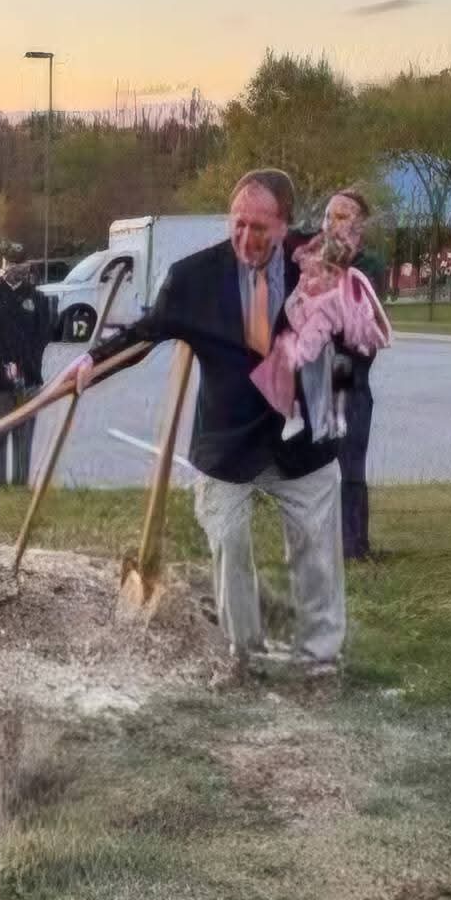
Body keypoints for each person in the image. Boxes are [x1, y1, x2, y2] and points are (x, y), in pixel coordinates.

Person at [58, 169, 346, 678]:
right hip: (228, 443)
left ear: (285, 227)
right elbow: (148, 332)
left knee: (317, 548)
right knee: (229, 544)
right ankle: (243, 653)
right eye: (238, 224)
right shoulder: (194, 278)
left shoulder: (316, 267)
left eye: (261, 227)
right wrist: (90, 362)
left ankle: (321, 656)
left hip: (301, 441)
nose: (246, 238)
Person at [250, 211, 390, 442]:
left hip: (330, 344)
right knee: (308, 377)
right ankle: (310, 419)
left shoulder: (338, 288)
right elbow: (295, 302)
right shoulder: (310, 280)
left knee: (334, 377)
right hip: (316, 342)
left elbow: (352, 312)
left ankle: (328, 419)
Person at [322, 190, 387, 561]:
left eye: (343, 216)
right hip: (316, 378)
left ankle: (354, 546)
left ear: (359, 225)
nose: (333, 223)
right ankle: (317, 540)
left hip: (351, 378)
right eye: (329, 215)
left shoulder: (368, 266)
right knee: (309, 466)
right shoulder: (316, 260)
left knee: (351, 464)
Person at [0, 261, 53, 487]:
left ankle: (20, 487)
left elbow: (42, 337)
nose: (18, 269)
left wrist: (25, 365)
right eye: (13, 263)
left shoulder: (38, 299)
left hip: (29, 380)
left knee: (23, 439)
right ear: (4, 264)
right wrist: (6, 363)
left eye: (23, 263)